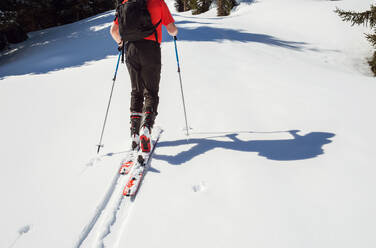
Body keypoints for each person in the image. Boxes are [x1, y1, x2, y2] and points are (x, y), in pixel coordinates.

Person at [110, 0, 178, 153]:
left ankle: (134, 132)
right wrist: (175, 33)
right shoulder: (158, 2)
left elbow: (113, 31)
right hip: (151, 50)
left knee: (136, 91)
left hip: (131, 50)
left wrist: (122, 42)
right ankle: (146, 128)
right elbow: (171, 29)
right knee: (151, 92)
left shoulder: (126, 2)